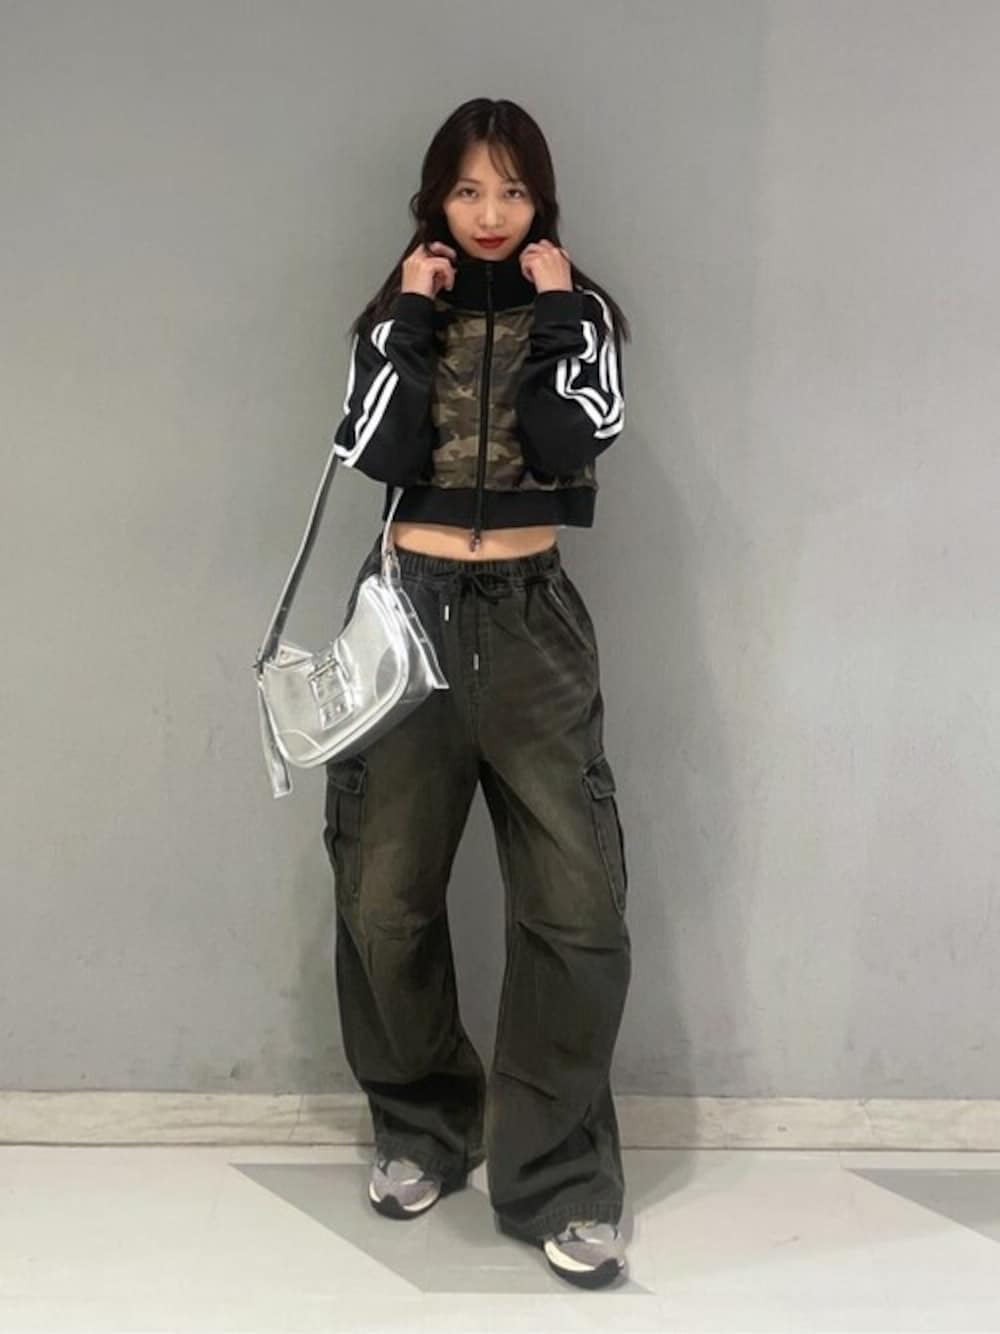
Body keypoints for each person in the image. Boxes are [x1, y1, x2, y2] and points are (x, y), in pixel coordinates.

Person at [323, 97, 632, 1290]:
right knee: (383, 895)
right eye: (467, 189)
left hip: (529, 618)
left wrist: (554, 312)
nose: (490, 212)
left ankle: (559, 1177)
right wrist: (409, 314)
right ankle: (422, 1124)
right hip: (404, 610)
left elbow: (565, 442)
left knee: (575, 906)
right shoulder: (394, 316)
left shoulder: (582, 315)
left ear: (539, 198)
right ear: (435, 201)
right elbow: (378, 453)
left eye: (510, 189)